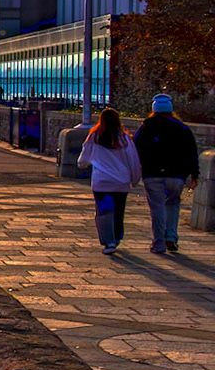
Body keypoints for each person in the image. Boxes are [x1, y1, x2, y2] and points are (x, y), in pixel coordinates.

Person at [135, 94, 202, 255]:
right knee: (173, 204)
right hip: (176, 175)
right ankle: (171, 236)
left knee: (157, 208)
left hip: (152, 174)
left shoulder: (146, 127)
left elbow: (136, 150)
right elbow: (191, 152)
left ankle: (158, 243)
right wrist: (194, 174)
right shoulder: (182, 128)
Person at [77, 107, 144, 255]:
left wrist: (83, 165)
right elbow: (133, 160)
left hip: (102, 182)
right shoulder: (125, 139)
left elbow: (83, 160)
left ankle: (108, 241)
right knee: (118, 212)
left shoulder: (94, 137)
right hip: (121, 182)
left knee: (103, 212)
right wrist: (135, 179)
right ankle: (117, 237)